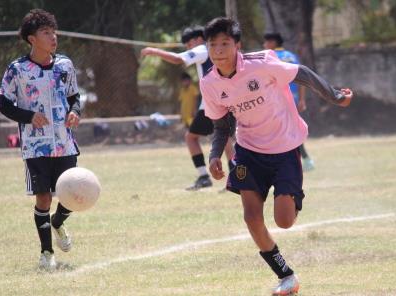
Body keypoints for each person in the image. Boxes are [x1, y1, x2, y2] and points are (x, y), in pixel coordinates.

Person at [200, 17, 352, 295]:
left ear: (237, 45)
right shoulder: (209, 83)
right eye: (213, 45)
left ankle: (292, 195)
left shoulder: (262, 63)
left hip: (284, 148)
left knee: (284, 220)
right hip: (248, 152)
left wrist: (334, 96)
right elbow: (221, 124)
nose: (218, 50)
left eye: (225, 43)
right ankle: (286, 277)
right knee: (251, 217)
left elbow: (301, 72)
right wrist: (214, 154)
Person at [0, 9, 81, 271]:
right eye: (46, 33)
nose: (53, 36)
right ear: (32, 39)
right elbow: (4, 104)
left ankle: (58, 222)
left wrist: (74, 112)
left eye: (53, 31)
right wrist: (29, 115)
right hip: (35, 146)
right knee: (43, 198)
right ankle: (46, 252)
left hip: (64, 143)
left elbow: (74, 97)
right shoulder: (17, 70)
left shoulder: (65, 65)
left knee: (72, 195)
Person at [141, 25, 235, 191]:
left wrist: (154, 51)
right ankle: (234, 177)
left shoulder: (202, 48)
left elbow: (178, 59)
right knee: (224, 137)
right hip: (223, 100)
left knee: (193, 138)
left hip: (211, 103)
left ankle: (206, 176)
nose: (188, 48)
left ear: (198, 39)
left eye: (188, 44)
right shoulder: (216, 50)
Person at [263, 32, 314, 171]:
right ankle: (304, 160)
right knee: (289, 131)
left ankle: (302, 160)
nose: (264, 45)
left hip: (277, 100)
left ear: (272, 43)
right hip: (294, 98)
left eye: (266, 42)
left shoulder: (270, 58)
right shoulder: (292, 56)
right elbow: (301, 78)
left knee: (281, 132)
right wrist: (302, 99)